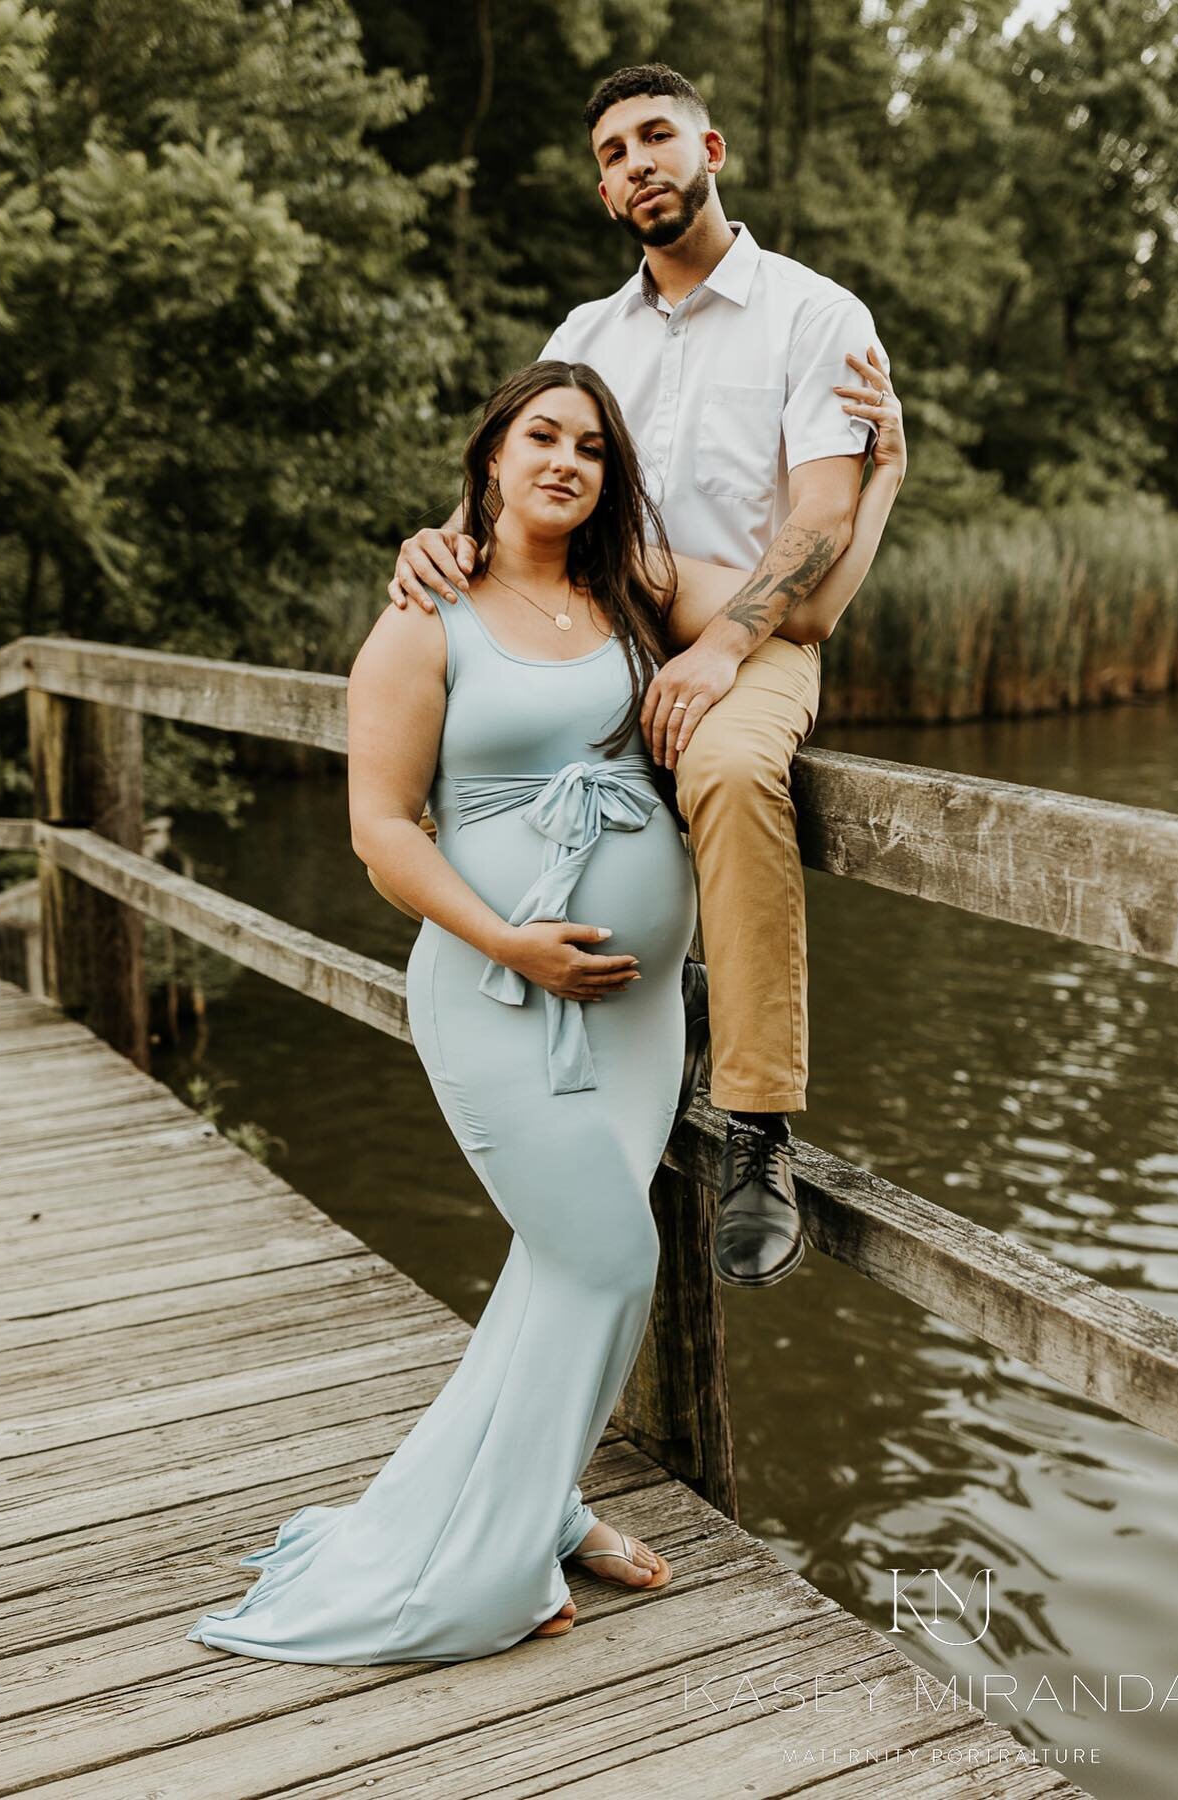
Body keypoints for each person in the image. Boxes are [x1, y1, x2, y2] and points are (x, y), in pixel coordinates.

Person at [184, 356, 898, 1664]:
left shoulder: (638, 593)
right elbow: (379, 831)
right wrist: (510, 935)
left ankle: (542, 1509)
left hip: (631, 1020)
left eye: (590, 447)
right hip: (500, 989)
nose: (566, 461)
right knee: (609, 1257)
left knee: (553, 1269)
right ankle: (491, 1550)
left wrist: (886, 474)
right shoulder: (426, 616)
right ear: (494, 458)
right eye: (541, 438)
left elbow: (803, 615)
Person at [388, 63, 903, 1291]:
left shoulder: (815, 314)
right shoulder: (587, 336)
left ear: (709, 147)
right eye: (613, 153)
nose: (636, 167)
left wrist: (724, 645)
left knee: (726, 769)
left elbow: (822, 520)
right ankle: (535, 1065)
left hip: (753, 634)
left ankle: (758, 1127)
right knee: (478, 755)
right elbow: (524, 473)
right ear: (604, 185)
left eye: (656, 138)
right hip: (599, 622)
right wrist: (440, 535)